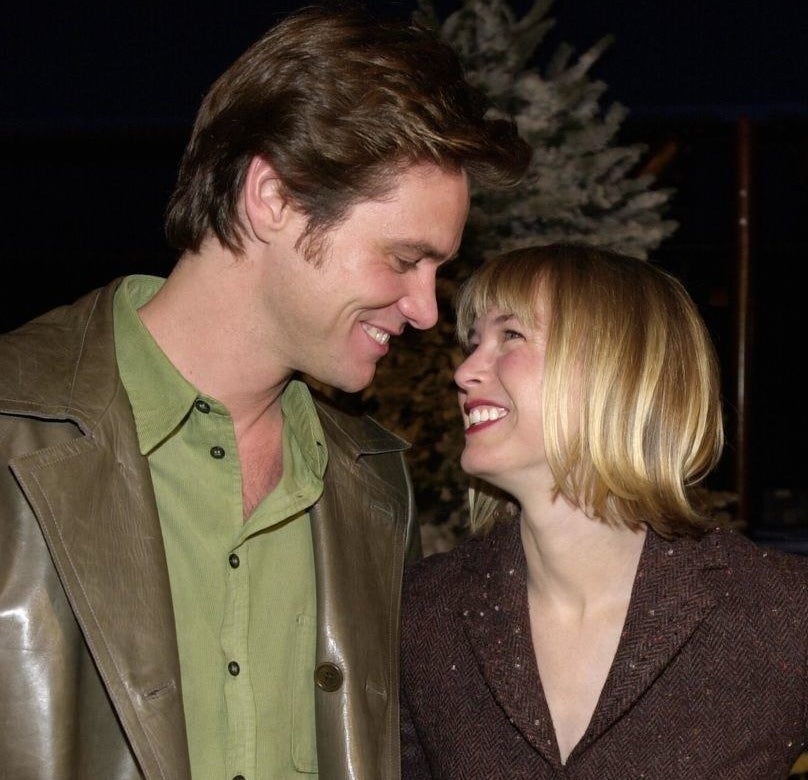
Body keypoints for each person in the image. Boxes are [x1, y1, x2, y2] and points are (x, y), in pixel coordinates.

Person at [0, 5, 532, 780]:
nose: (424, 309)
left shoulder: (375, 483)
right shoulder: (15, 429)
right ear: (273, 198)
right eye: (403, 259)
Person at [400, 242, 808, 778]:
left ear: (617, 369)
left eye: (511, 336)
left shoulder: (781, 612)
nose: (465, 372)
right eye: (474, 343)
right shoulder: (421, 613)